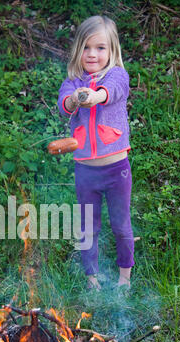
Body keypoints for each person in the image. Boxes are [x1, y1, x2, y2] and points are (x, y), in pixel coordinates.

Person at [57, 15, 134, 291]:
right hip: (85, 170)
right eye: (87, 47)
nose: (93, 54)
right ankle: (92, 277)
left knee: (121, 225)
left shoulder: (117, 75)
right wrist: (76, 97)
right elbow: (64, 105)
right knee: (88, 226)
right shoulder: (73, 81)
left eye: (100, 48)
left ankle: (124, 277)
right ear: (78, 49)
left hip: (117, 169)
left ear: (112, 51)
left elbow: (111, 92)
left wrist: (95, 96)